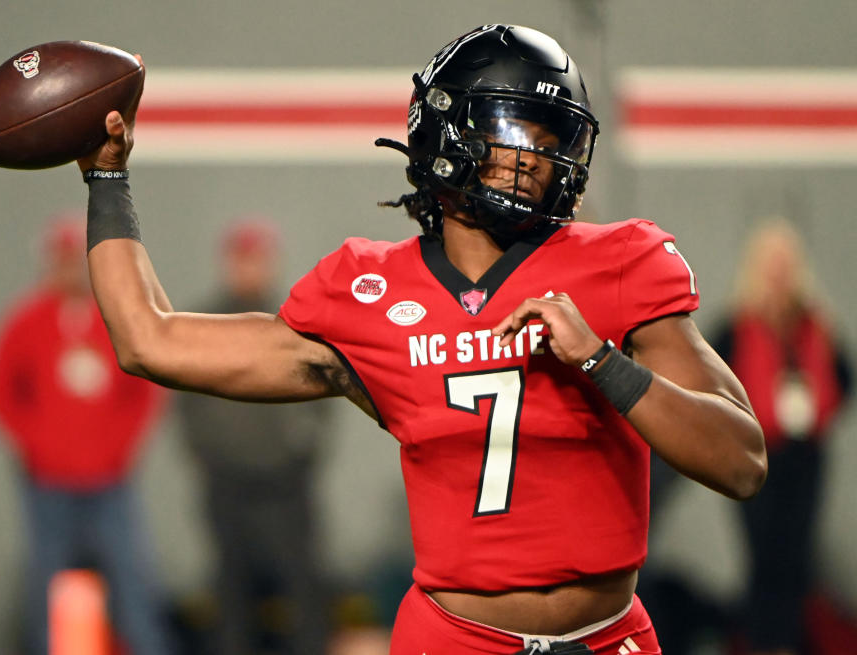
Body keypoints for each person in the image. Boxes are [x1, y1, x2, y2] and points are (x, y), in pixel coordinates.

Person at [76, 25, 767, 655]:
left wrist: (600, 359)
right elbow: (149, 340)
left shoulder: (620, 261)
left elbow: (741, 460)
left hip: (605, 635)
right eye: (516, 137)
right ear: (447, 139)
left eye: (552, 145)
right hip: (455, 638)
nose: (540, 162)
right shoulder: (368, 289)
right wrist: (107, 177)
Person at [0, 215, 170, 655]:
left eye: (79, 261)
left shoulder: (118, 316)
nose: (71, 271)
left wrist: (119, 448)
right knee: (47, 582)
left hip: (109, 481)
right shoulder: (26, 322)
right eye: (63, 261)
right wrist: (38, 443)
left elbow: (144, 389)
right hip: (49, 483)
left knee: (133, 581)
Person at [175, 217, 330, 655]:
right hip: (228, 482)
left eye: (256, 259)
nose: (249, 269)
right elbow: (186, 406)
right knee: (231, 587)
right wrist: (210, 456)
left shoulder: (295, 322)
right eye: (241, 260)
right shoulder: (201, 325)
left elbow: (325, 401)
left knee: (303, 583)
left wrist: (299, 451)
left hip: (285, 483)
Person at [710, 217, 852, 655]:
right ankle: (761, 643)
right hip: (754, 457)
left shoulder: (815, 325)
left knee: (796, 559)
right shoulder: (736, 326)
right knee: (762, 559)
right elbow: (712, 385)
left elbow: (844, 380)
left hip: (804, 458)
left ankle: (788, 643)